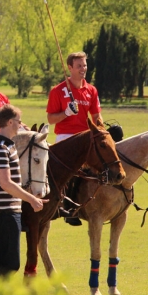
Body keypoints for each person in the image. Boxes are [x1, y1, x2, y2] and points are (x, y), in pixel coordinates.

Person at [0, 104, 47, 276]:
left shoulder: (9, 146)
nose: (21, 125)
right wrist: (31, 199)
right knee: (10, 263)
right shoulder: (0, 148)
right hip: (4, 212)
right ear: (10, 122)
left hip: (10, 210)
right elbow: (5, 183)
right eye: (19, 122)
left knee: (4, 261)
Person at [46, 51, 102, 225]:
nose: (83, 69)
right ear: (70, 67)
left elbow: (97, 117)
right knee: (68, 174)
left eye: (84, 65)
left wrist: (102, 131)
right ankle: (66, 207)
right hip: (66, 137)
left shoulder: (91, 90)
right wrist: (66, 113)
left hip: (85, 137)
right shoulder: (58, 91)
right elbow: (50, 119)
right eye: (79, 66)